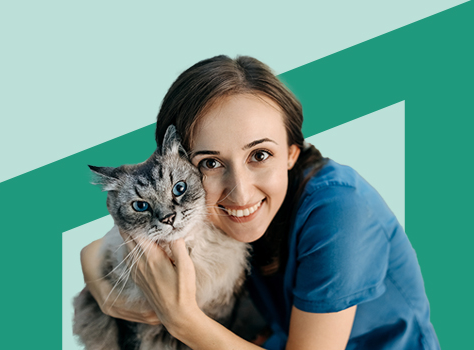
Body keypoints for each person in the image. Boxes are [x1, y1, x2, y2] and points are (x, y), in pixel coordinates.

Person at [80, 55, 441, 349]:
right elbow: (103, 245)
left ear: (291, 153)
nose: (241, 192)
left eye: (260, 155)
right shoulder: (193, 205)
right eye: (210, 162)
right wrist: (100, 284)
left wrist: (181, 319)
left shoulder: (341, 211)